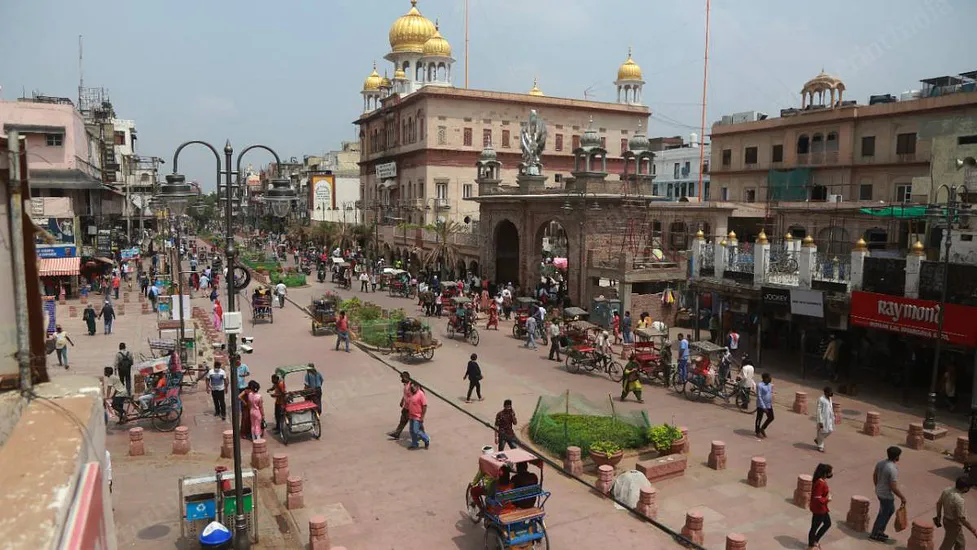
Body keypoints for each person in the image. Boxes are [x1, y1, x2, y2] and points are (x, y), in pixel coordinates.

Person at [870, 446, 907, 542]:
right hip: (886, 495)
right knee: (884, 514)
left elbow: (874, 475)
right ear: (896, 457)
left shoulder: (881, 463)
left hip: (879, 491)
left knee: (889, 510)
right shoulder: (892, 469)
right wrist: (902, 497)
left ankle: (879, 531)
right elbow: (893, 487)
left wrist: (877, 486)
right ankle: (876, 533)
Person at [935, 476, 977, 550]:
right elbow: (962, 518)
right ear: (965, 488)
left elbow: (938, 504)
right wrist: (973, 530)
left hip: (946, 520)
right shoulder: (959, 500)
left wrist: (938, 517)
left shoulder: (946, 490)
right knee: (946, 545)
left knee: (960, 543)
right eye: (968, 487)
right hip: (953, 524)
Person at [808, 463, 834, 549]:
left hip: (823, 508)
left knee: (827, 523)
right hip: (819, 509)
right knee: (814, 527)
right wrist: (827, 499)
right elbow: (817, 498)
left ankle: (815, 540)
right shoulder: (820, 483)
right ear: (825, 473)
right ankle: (811, 545)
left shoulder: (820, 481)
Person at [388, 371, 413, 440]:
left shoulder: (411, 386)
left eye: (402, 378)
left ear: (406, 377)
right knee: (403, 420)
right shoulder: (406, 384)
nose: (401, 379)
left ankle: (422, 436)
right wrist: (402, 401)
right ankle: (397, 433)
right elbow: (405, 394)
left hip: (411, 407)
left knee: (414, 423)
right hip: (406, 406)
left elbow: (413, 396)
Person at [406, 382, 430, 450]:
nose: (412, 389)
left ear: (417, 387)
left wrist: (422, 417)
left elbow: (424, 406)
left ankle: (426, 439)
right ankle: (414, 444)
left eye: (413, 387)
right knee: (411, 431)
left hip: (417, 416)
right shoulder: (411, 393)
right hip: (411, 415)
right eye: (411, 387)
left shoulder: (420, 394)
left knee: (416, 430)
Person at [815, 387, 835, 452]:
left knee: (830, 430)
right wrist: (820, 421)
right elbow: (818, 410)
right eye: (830, 392)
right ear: (826, 392)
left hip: (829, 418)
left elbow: (830, 408)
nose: (831, 393)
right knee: (821, 431)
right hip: (823, 419)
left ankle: (818, 439)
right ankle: (820, 446)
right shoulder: (821, 399)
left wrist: (833, 416)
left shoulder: (830, 398)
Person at [755, 373, 774, 438]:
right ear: (765, 378)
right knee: (759, 418)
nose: (770, 379)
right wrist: (764, 407)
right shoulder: (760, 385)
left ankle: (762, 428)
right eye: (769, 378)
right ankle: (757, 431)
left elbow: (770, 391)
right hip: (761, 405)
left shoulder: (769, 385)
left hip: (768, 404)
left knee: (771, 417)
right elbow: (759, 396)